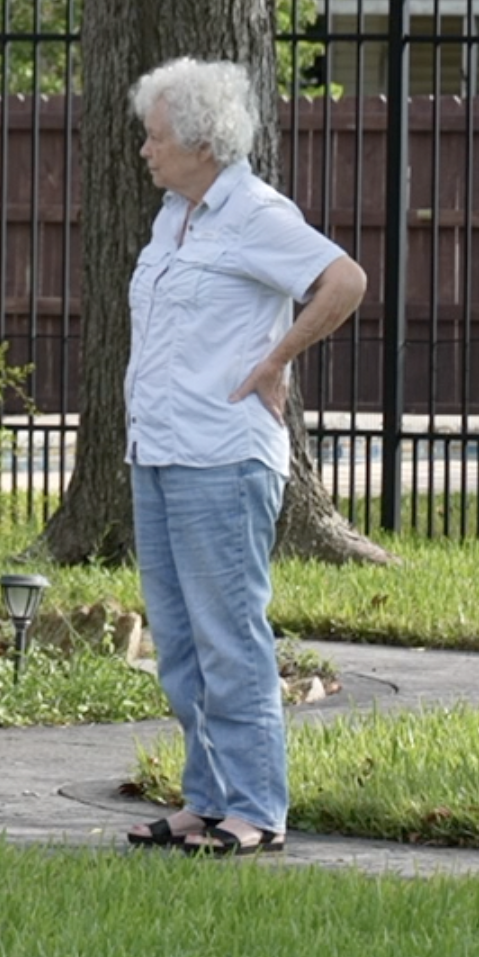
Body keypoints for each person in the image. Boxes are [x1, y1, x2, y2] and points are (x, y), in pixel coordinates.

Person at [119, 59, 364, 858]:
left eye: (156, 138)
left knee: (230, 637)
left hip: (221, 458)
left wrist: (277, 359)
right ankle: (208, 799)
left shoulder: (256, 213)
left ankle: (256, 809)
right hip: (157, 452)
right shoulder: (173, 218)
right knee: (182, 640)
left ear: (201, 141)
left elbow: (343, 279)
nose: (146, 151)